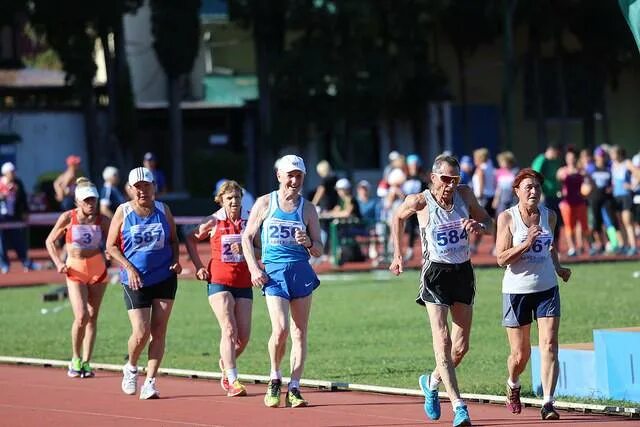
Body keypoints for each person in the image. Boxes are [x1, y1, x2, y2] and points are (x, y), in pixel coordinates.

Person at [389, 154, 494, 427]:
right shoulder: (420, 201)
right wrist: (398, 254)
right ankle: (459, 407)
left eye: (455, 179)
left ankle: (431, 382)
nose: (450, 185)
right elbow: (396, 218)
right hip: (435, 274)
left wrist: (479, 225)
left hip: (462, 273)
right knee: (443, 341)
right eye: (446, 179)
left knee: (461, 347)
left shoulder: (465, 196)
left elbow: (490, 222)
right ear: (433, 177)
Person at [241, 154, 323, 408]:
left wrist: (308, 242)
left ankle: (295, 387)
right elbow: (246, 238)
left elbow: (320, 247)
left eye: (299, 176)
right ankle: (275, 377)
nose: (295, 181)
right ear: (279, 176)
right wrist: (254, 269)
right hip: (274, 273)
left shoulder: (307, 208)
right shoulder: (266, 203)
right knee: (281, 329)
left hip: (300, 271)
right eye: (290, 175)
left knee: (299, 332)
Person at [495, 168, 571, 421]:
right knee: (521, 354)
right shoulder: (507, 218)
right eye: (528, 187)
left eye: (537, 187)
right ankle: (513, 384)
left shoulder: (550, 216)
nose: (533, 191)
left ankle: (548, 402)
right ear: (516, 191)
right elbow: (500, 258)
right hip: (517, 291)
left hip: (547, 287)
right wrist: (525, 243)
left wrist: (559, 268)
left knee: (549, 344)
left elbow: (549, 247)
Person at [106, 166, 182, 400]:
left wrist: (177, 261)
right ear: (130, 189)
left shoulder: (163, 209)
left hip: (164, 278)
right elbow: (111, 247)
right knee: (141, 332)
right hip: (135, 280)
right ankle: (130, 367)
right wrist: (129, 268)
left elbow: (173, 240)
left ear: (153, 188)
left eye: (146, 186)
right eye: (137, 187)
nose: (142, 192)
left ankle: (150, 382)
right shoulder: (123, 212)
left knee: (159, 331)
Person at [185, 180, 254, 397]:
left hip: (244, 282)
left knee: (243, 338)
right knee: (229, 329)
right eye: (229, 198)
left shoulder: (250, 220)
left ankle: (226, 364)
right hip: (219, 280)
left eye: (237, 197)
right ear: (221, 200)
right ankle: (233, 380)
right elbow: (190, 238)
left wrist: (246, 250)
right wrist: (198, 266)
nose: (234, 201)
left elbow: (262, 248)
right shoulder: (214, 221)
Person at [45, 178, 110, 378]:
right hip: (75, 269)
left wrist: (110, 251)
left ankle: (87, 362)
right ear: (77, 202)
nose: (91, 204)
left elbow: (118, 239)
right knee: (81, 316)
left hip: (97, 269)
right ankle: (75, 358)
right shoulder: (68, 217)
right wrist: (58, 262)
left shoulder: (103, 220)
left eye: (93, 200)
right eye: (86, 200)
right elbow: (50, 241)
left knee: (93, 317)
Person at [0, 162, 35, 273]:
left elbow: (23, 199)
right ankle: (4, 265)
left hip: (14, 217)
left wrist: (25, 212)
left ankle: (26, 262)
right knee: (1, 243)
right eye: (11, 172)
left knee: (18, 241)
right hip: (1, 218)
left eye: (14, 171)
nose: (13, 174)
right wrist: (3, 195)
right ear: (5, 173)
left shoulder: (18, 183)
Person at [556, 148, 590, 256]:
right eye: (569, 158)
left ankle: (581, 246)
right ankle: (572, 247)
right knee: (569, 226)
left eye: (573, 158)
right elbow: (557, 184)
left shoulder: (582, 171)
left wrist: (587, 186)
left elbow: (588, 184)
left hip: (580, 201)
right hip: (567, 203)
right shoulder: (562, 171)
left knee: (582, 225)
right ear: (566, 159)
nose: (571, 160)